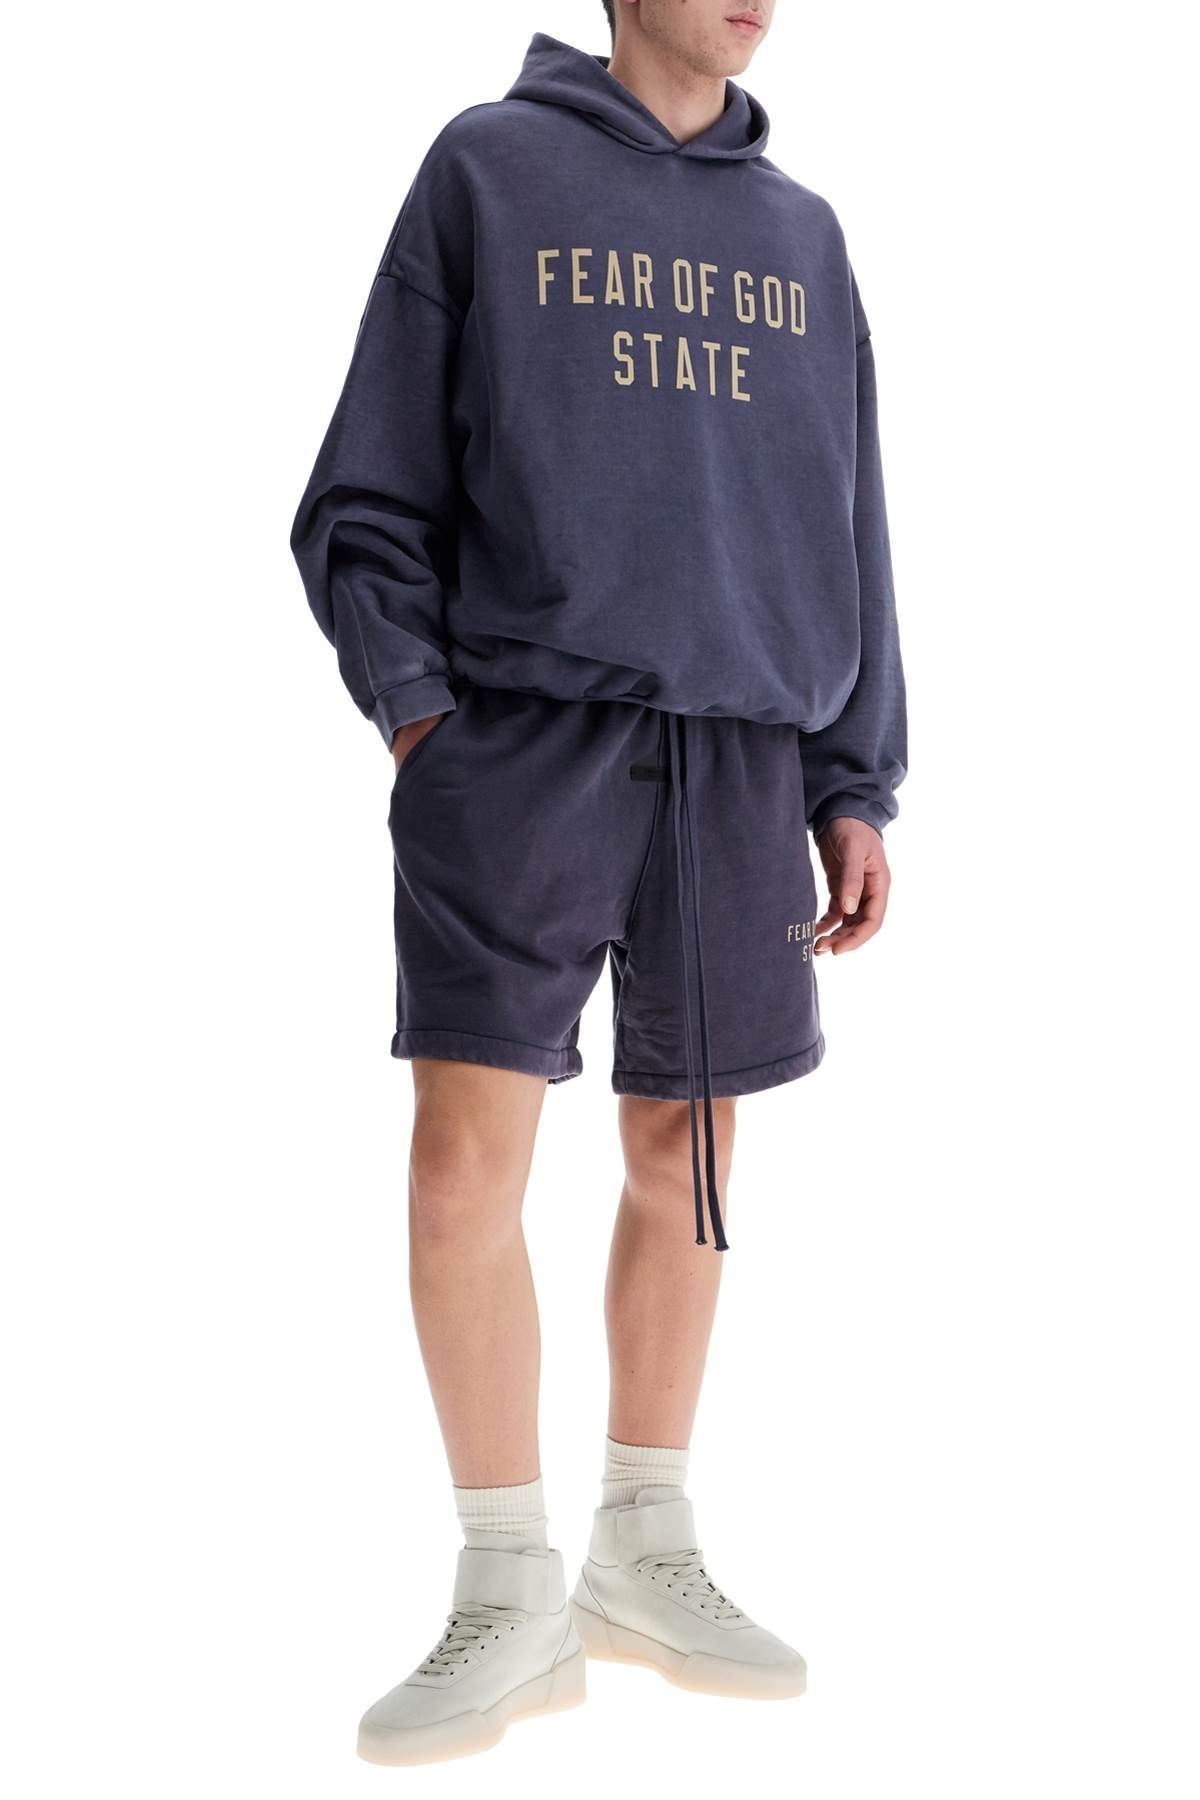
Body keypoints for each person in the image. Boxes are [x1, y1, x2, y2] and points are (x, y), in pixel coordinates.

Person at [290, 0, 906, 1765]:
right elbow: (364, 488)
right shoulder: (489, 171)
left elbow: (852, 522)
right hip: (521, 736)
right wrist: (423, 718)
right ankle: (506, 1580)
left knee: (687, 1150)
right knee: (463, 1161)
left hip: (743, 753)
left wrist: (852, 779)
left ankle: (646, 1542)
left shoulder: (803, 236)